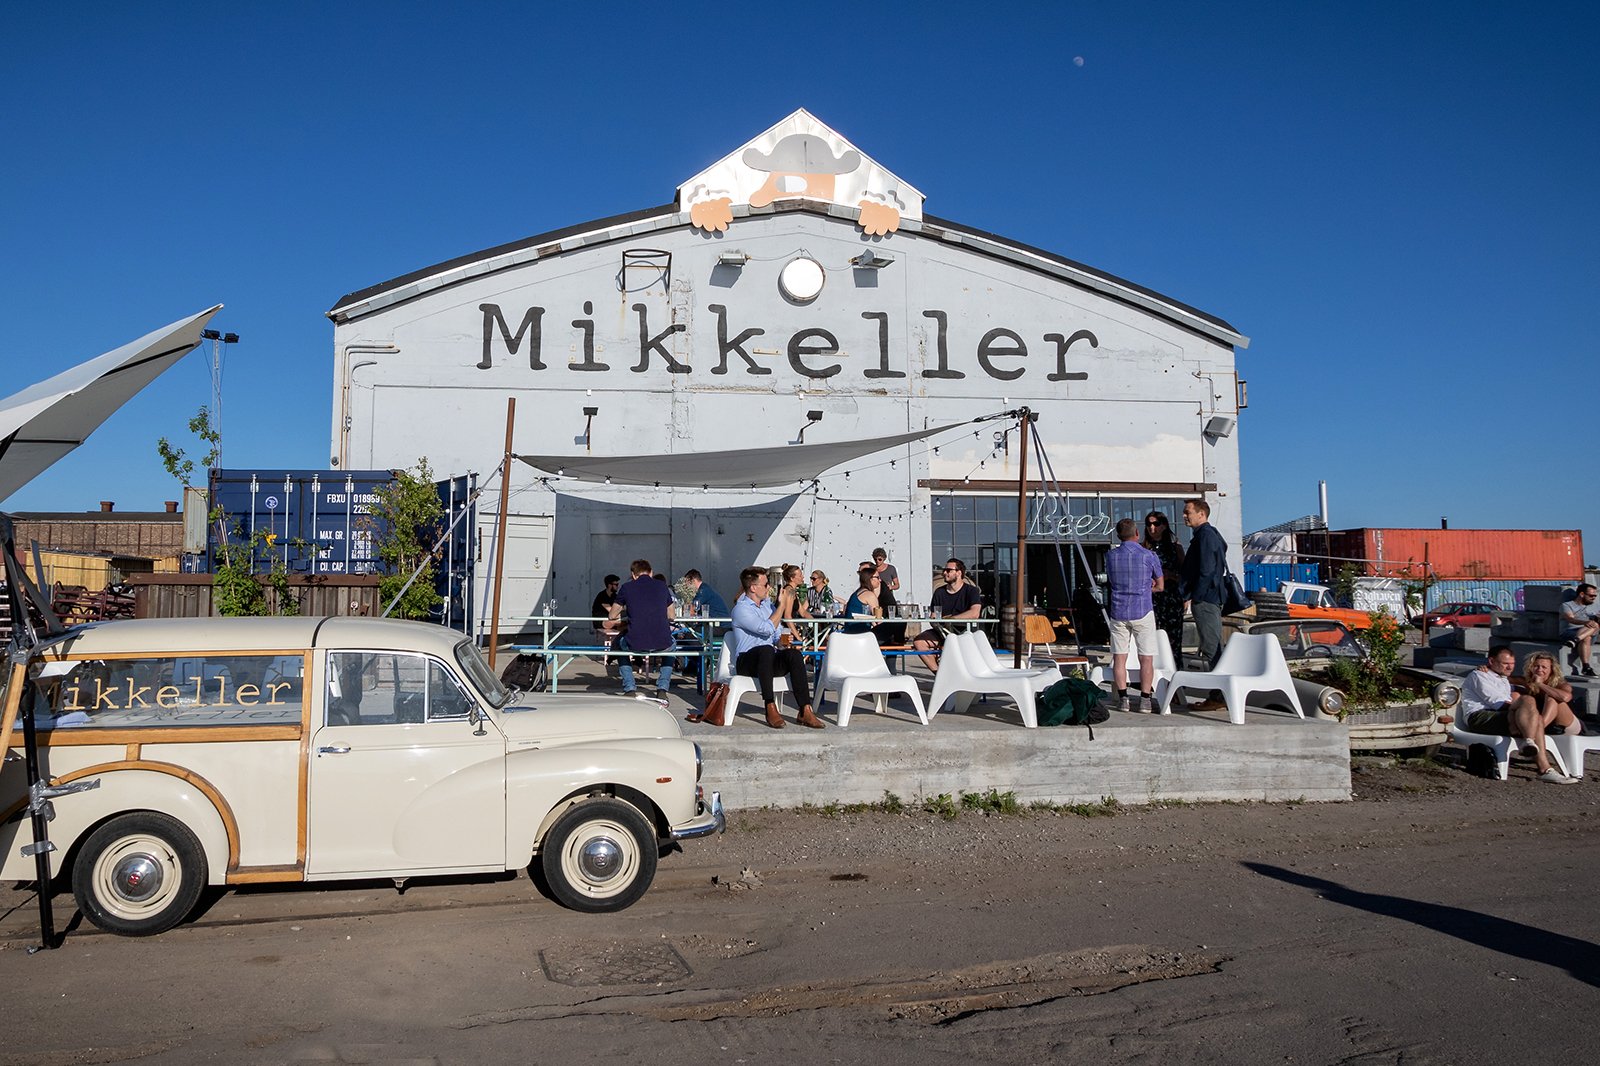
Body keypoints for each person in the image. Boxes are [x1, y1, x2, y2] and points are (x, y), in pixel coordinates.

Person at [1460, 646, 1579, 784]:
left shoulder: (1504, 678)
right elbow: (1498, 704)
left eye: (1512, 664)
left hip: (1566, 723)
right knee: (1527, 703)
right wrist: (1524, 711)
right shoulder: (1480, 675)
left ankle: (1537, 753)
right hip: (1481, 716)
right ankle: (1541, 762)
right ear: (1491, 661)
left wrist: (1538, 688)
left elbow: (1565, 697)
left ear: (1552, 669)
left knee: (1537, 707)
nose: (1509, 668)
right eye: (1505, 664)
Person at [728, 566, 823, 729]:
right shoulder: (740, 609)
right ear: (753, 588)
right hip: (747, 662)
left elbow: (776, 632)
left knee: (793, 654)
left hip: (767, 660)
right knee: (765, 650)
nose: (769, 588)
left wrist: (781, 642)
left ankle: (805, 709)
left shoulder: (766, 606)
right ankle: (770, 705)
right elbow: (765, 628)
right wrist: (781, 605)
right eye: (765, 585)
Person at [1105, 518, 1164, 713]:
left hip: (1119, 611)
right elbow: (1161, 586)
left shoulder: (1111, 556)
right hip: (1143, 608)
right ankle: (1145, 700)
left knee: (1119, 657)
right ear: (1137, 533)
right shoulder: (1149, 555)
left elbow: (1112, 581)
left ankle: (1123, 699)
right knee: (1146, 658)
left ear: (1118, 535)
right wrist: (1149, 587)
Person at [608, 559, 675, 698]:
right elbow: (672, 615)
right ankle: (662, 688)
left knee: (620, 647)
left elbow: (612, 615)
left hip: (635, 643)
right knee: (672, 645)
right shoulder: (662, 587)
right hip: (662, 643)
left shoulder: (627, 588)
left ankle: (630, 688)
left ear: (633, 575)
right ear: (651, 572)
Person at [1180, 498, 1227, 670]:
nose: (1184, 516)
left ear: (1201, 514)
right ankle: (1217, 692)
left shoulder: (1206, 535)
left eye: (1188, 512)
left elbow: (1207, 569)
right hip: (1209, 596)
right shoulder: (1209, 534)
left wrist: (1196, 596)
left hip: (1206, 598)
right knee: (1212, 645)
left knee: (1211, 647)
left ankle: (1218, 693)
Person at [912, 558, 983, 670]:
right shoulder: (939, 592)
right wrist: (935, 621)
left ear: (959, 573)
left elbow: (975, 613)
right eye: (944, 570)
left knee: (950, 645)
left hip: (964, 632)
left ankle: (951, 676)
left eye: (948, 570)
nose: (944, 573)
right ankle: (940, 675)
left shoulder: (971, 591)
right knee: (919, 642)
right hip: (942, 631)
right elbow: (933, 615)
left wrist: (951, 618)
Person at [1142, 511, 1186, 658]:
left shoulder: (1175, 548)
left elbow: (1185, 575)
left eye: (1156, 523)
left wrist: (1171, 576)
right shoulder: (1143, 549)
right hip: (1151, 599)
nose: (1151, 527)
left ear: (1164, 525)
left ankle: (1174, 673)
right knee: (1151, 639)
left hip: (1171, 598)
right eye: (1148, 524)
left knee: (1172, 640)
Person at [1562, 583, 1600, 677]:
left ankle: (1576, 640)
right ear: (1582, 594)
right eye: (1591, 595)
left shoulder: (1595, 606)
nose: (1593, 598)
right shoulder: (1567, 605)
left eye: (1595, 596)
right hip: (1570, 632)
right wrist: (1584, 622)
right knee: (1587, 637)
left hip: (1590, 632)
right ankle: (1586, 667)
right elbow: (1570, 619)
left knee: (1595, 624)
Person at [840, 565, 883, 635]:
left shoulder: (857, 593)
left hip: (849, 631)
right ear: (870, 579)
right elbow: (878, 620)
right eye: (877, 577)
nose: (880, 580)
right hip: (861, 634)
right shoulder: (869, 595)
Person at [591, 574, 622, 642]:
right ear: (609, 585)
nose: (617, 587)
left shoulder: (615, 596)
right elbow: (612, 611)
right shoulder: (602, 596)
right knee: (618, 622)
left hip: (612, 619)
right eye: (616, 585)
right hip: (601, 621)